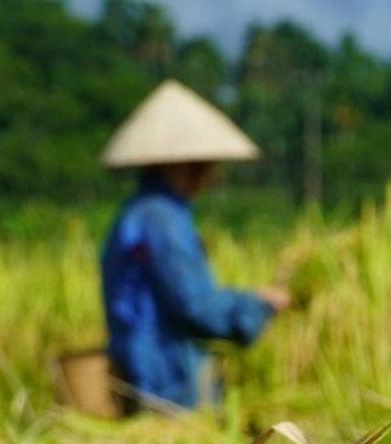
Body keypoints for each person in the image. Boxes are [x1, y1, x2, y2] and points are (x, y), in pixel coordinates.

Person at [99, 80, 291, 413]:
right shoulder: (162, 219)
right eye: (209, 164)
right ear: (188, 165)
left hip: (142, 365)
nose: (213, 175)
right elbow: (195, 305)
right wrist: (257, 304)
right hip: (165, 374)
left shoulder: (140, 211)